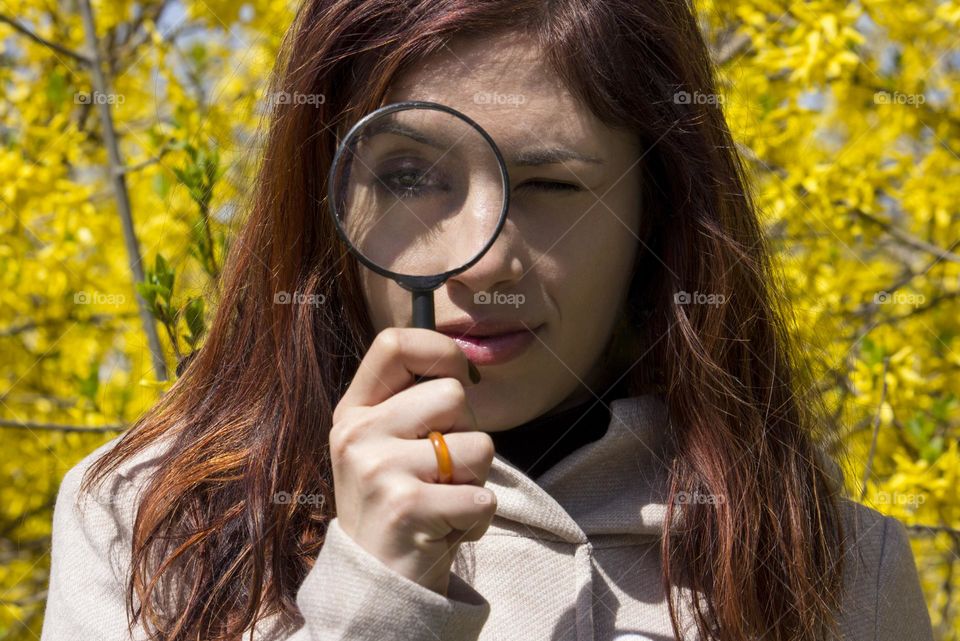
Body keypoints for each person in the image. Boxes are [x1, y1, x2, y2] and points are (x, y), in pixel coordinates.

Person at [40, 1, 934, 640]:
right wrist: (372, 605)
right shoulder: (152, 528)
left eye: (551, 187)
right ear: (325, 202)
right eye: (406, 177)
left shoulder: (836, 566)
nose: (477, 257)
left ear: (658, 213)